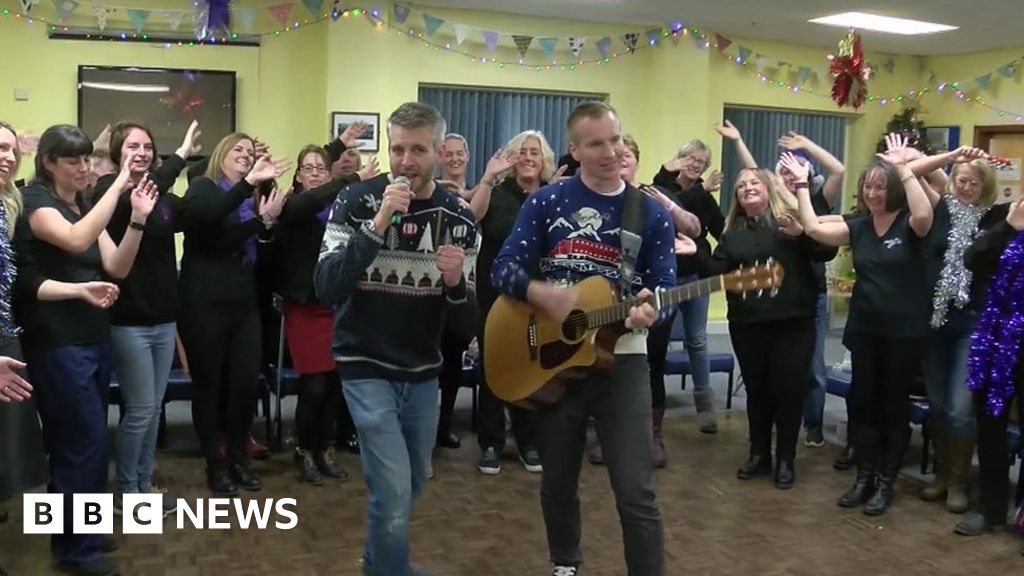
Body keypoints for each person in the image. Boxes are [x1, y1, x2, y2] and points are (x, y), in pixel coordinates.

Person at [491, 101, 675, 576]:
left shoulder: (650, 213)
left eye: (615, 139)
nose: (610, 151)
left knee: (636, 491)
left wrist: (652, 307)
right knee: (557, 481)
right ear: (574, 149)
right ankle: (565, 564)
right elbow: (503, 268)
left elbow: (666, 286)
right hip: (554, 358)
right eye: (596, 143)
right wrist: (542, 294)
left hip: (624, 359)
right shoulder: (547, 203)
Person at [314, 102, 477, 576]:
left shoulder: (460, 218)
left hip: (423, 369)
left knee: (414, 486)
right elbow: (327, 286)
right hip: (364, 362)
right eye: (397, 149)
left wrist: (452, 284)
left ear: (440, 153)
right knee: (392, 489)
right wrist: (379, 223)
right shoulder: (356, 201)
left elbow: (467, 323)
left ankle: (378, 563)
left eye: (417, 150)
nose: (405, 161)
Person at [14, 124, 156, 576]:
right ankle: (78, 551)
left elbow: (116, 266)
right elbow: (75, 240)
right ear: (49, 162)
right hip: (57, 341)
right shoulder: (35, 202)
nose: (82, 168)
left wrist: (137, 218)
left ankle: (79, 535)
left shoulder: (84, 203)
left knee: (85, 443)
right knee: (82, 442)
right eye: (73, 161)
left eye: (85, 160)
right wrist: (118, 183)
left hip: (93, 337)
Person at [796, 133, 934, 517]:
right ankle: (864, 478)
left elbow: (925, 215)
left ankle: (885, 483)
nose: (873, 193)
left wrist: (903, 168)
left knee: (893, 408)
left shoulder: (910, 223)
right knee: (864, 406)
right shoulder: (858, 225)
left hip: (904, 334)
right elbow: (813, 229)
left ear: (892, 189)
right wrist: (804, 186)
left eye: (880, 186)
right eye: (868, 186)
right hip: (866, 330)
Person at [94, 119, 201, 516]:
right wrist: (182, 155)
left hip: (162, 318)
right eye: (131, 147)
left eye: (146, 146)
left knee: (153, 408)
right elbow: (137, 186)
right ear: (116, 153)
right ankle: (127, 491)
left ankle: (143, 482)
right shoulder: (109, 191)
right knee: (139, 410)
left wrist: (182, 154)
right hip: (129, 322)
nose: (141, 153)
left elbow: (161, 179)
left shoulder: (153, 194)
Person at [710, 161, 836, 488]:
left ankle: (785, 459)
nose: (748, 188)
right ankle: (758, 454)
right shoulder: (731, 234)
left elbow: (825, 251)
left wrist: (802, 234)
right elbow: (714, 273)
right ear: (737, 196)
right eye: (741, 185)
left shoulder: (791, 222)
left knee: (789, 391)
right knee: (757, 391)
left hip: (792, 323)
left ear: (768, 189)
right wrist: (692, 248)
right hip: (747, 324)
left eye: (755, 183)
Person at [177, 133, 289, 496]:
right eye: (238, 150)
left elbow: (249, 244)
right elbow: (210, 228)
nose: (245, 155)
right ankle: (216, 464)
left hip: (243, 305)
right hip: (204, 303)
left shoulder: (248, 197)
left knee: (244, 384)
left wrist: (266, 218)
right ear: (221, 155)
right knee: (210, 387)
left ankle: (239, 457)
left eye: (250, 152)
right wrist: (257, 212)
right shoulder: (203, 187)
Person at [590, 134, 699, 467]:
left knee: (651, 365)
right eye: (615, 154)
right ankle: (604, 433)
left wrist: (668, 206)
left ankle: (652, 434)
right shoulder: (593, 199)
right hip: (602, 299)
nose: (621, 159)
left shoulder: (657, 196)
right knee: (601, 364)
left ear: (637, 161)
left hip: (650, 298)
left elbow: (694, 227)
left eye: (628, 155)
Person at [905, 147, 1004, 514]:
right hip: (934, 320)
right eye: (961, 180)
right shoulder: (940, 208)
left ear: (985, 186)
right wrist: (950, 155)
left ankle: (960, 482)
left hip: (971, 322)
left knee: (962, 407)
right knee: (940, 404)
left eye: (974, 183)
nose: (966, 187)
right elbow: (911, 172)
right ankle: (944, 476)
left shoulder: (996, 218)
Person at [276, 143, 375, 484]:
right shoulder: (294, 204)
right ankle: (305, 451)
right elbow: (307, 204)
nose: (315, 172)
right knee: (314, 385)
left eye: (321, 167)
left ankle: (326, 449)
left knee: (334, 383)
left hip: (338, 303)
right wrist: (352, 177)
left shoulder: (340, 205)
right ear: (299, 175)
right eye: (309, 168)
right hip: (305, 305)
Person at [470, 129, 559, 475]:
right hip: (495, 297)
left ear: (544, 161)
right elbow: (473, 217)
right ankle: (491, 443)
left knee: (530, 366)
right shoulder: (498, 191)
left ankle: (528, 442)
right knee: (492, 365)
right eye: (522, 152)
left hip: (536, 298)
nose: (528, 157)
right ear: (511, 158)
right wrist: (487, 178)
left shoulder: (552, 196)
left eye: (535, 153)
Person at [954, 197, 1024, 554]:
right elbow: (973, 259)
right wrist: (1009, 226)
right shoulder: (1004, 213)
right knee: (991, 426)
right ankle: (991, 508)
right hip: (997, 340)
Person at [651, 138, 723, 435]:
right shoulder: (662, 185)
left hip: (695, 277)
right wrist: (701, 189)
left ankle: (705, 406)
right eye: (690, 159)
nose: (696, 166)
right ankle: (655, 412)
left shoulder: (706, 197)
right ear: (679, 159)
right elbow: (673, 206)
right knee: (658, 343)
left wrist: (708, 256)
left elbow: (723, 232)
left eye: (701, 163)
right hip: (667, 278)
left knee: (697, 340)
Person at [438, 133, 471, 198]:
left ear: (467, 157)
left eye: (460, 154)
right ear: (440, 158)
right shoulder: (431, 191)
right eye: (448, 155)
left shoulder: (477, 198)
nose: (454, 159)